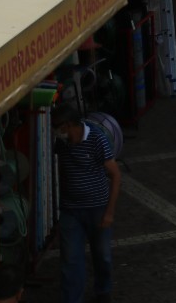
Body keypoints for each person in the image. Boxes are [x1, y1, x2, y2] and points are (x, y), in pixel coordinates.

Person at [51, 102, 120, 303]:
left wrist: (109, 212)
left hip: (97, 209)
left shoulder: (97, 139)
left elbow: (115, 176)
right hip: (70, 211)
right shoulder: (61, 144)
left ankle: (103, 290)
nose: (56, 131)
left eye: (58, 126)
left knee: (102, 256)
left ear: (70, 124)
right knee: (71, 261)